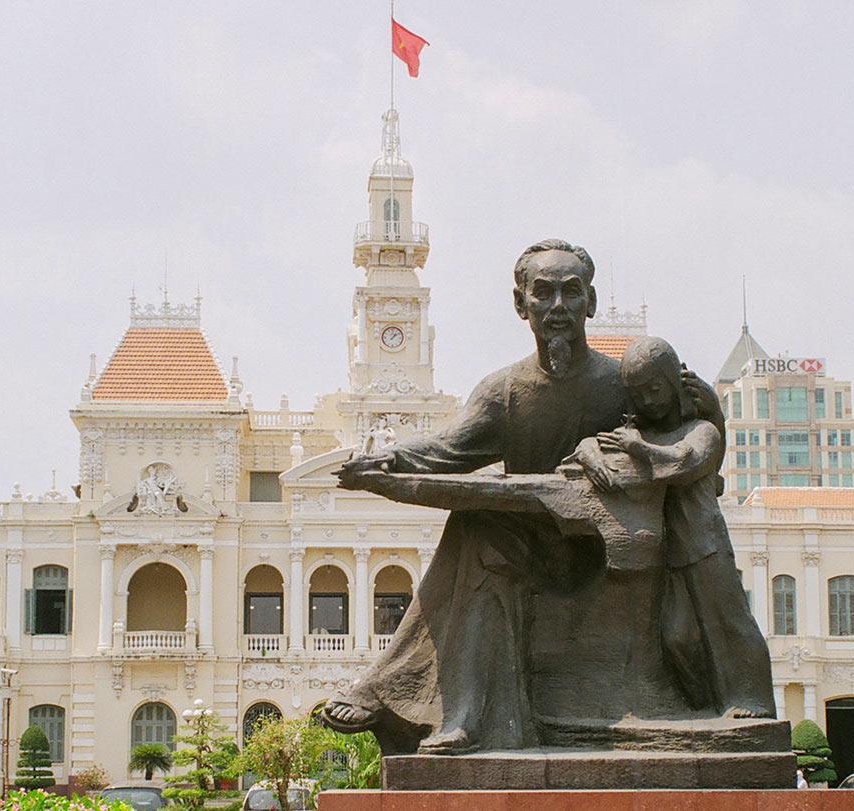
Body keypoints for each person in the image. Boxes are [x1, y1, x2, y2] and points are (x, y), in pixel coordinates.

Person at [322, 239, 630, 754]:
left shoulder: (621, 386)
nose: (558, 308)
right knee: (477, 525)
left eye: (571, 294)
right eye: (544, 294)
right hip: (527, 546)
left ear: (591, 303)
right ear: (521, 304)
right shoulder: (504, 390)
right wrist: (386, 461)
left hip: (599, 548)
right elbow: (447, 449)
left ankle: (405, 695)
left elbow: (686, 434)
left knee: (481, 527)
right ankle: (460, 717)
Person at [583, 335, 775, 718]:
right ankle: (704, 707)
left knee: (731, 624)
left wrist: (637, 448)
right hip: (668, 552)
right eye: (639, 394)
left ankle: (752, 701)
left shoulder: (699, 432)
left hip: (705, 547)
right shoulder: (641, 434)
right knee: (677, 637)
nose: (649, 401)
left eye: (655, 389)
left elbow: (684, 461)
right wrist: (592, 455)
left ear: (673, 383)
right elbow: (590, 443)